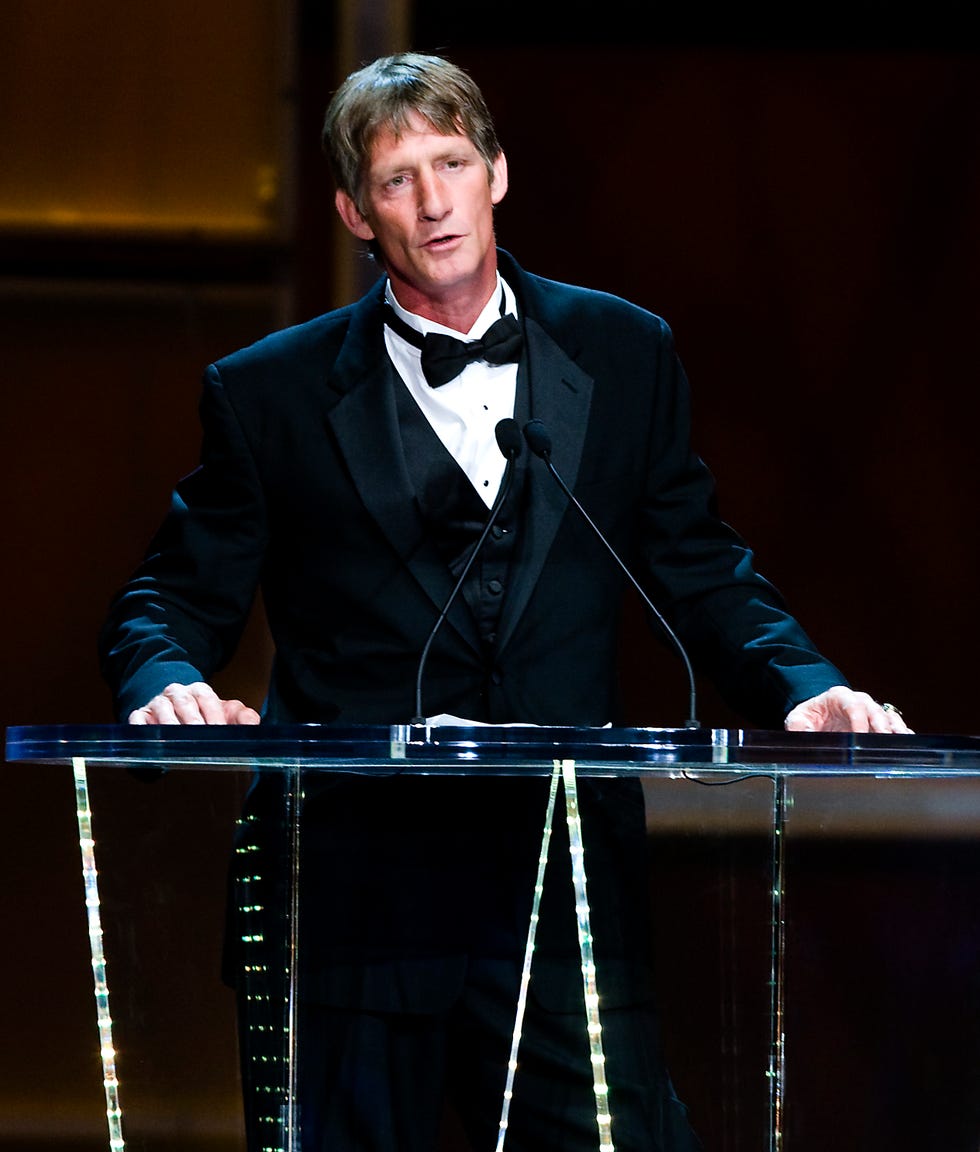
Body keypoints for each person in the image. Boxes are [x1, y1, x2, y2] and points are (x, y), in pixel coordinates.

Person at [99, 52, 912, 1152]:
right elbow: (165, 601)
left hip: (565, 891)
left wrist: (804, 688)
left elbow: (700, 565)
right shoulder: (267, 393)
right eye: (396, 179)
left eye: (450, 163)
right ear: (351, 210)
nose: (431, 202)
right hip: (352, 904)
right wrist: (168, 680)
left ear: (497, 173)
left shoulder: (624, 353)